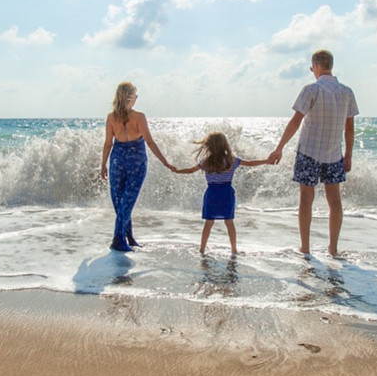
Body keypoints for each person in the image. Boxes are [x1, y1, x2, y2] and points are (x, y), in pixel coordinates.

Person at [268, 50, 359, 257]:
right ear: (330, 66)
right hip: (334, 154)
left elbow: (295, 122)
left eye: (312, 68)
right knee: (334, 201)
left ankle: (305, 248)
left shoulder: (311, 90)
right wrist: (349, 155)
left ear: (316, 66)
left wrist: (279, 147)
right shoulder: (347, 92)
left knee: (306, 200)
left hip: (309, 152)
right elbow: (350, 129)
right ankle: (333, 248)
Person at [101, 81, 174, 252]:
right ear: (131, 98)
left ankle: (128, 237)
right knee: (125, 201)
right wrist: (165, 162)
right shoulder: (139, 117)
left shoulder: (112, 117)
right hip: (136, 161)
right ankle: (118, 239)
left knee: (122, 201)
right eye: (135, 96)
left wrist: (103, 164)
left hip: (117, 159)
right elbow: (150, 142)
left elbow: (108, 144)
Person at [173, 131, 271, 255]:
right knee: (229, 222)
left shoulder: (206, 162)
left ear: (208, 146)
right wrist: (267, 161)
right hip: (226, 193)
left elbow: (191, 170)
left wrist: (177, 171)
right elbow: (250, 163)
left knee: (209, 222)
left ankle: (202, 249)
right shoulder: (232, 160)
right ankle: (234, 249)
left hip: (212, 193)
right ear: (225, 144)